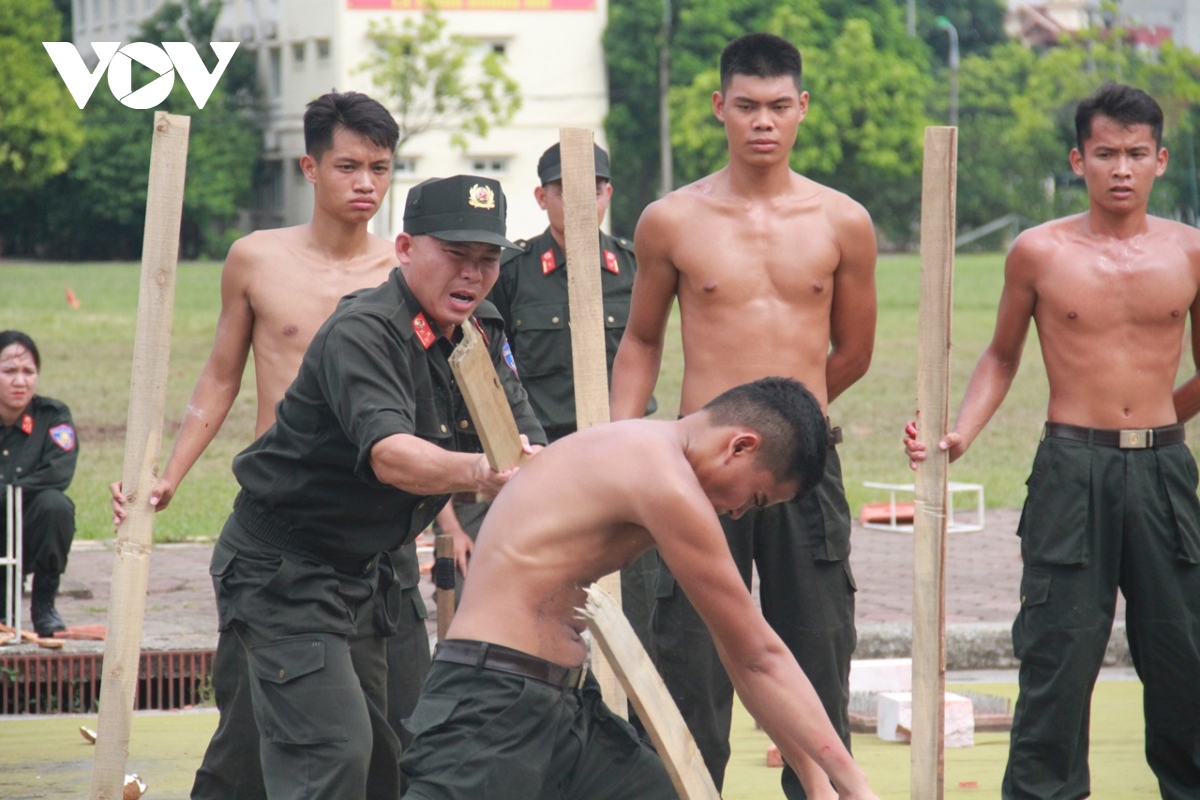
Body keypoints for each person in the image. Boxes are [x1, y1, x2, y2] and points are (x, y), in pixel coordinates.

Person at [109, 91, 425, 798]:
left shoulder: (404, 276)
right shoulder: (256, 260)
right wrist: (166, 476)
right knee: (252, 723)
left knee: (391, 732)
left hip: (375, 528)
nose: (366, 183)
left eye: (380, 167)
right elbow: (219, 379)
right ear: (309, 167)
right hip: (282, 526)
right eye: (348, 166)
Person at [204, 173, 545, 799]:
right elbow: (391, 456)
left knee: (405, 748)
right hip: (286, 568)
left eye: (488, 259)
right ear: (407, 248)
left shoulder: (479, 332)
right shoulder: (366, 332)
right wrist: (480, 471)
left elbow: (527, 441)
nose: (471, 275)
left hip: (376, 568)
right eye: (455, 254)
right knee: (332, 756)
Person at [904, 83, 1200, 800]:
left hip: (1164, 473)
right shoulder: (1037, 252)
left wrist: (1159, 425)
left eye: (1135, 154)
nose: (1120, 168)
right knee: (1056, 664)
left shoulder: (1190, 251)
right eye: (1105, 154)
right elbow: (1002, 356)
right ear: (1079, 159)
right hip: (1072, 470)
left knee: (1184, 661)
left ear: (1160, 160)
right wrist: (961, 432)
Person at [609, 32, 877, 799]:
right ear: (719, 108)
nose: (764, 122)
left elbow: (853, 352)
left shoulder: (842, 221)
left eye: (780, 107)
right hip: (694, 475)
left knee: (816, 656)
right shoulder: (670, 220)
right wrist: (621, 444)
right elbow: (642, 341)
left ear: (803, 111)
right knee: (686, 667)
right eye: (749, 107)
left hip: (802, 473)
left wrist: (786, 422)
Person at [401, 377, 879, 800]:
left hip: (561, 701)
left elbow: (743, 660)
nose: (737, 514)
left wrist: (818, 780)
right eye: (754, 499)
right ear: (740, 446)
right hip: (493, 699)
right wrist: (854, 784)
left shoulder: (645, 447)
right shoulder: (662, 478)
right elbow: (757, 655)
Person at [435, 141, 657, 660]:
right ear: (541, 196)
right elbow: (485, 365)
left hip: (623, 465)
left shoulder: (634, 268)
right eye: (562, 190)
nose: (580, 201)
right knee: (531, 615)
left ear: (609, 193)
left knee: (636, 616)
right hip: (543, 466)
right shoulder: (510, 272)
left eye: (595, 189)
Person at [0, 330, 78, 637]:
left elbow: (58, 474)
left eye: (28, 372)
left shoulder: (53, 416)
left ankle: (44, 607)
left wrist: (8, 492)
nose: (20, 381)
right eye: (9, 371)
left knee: (55, 505)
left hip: (29, 523)